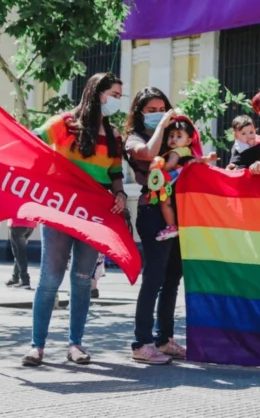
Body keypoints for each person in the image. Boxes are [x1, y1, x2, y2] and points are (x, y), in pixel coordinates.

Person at [20, 72, 127, 367]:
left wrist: (119, 195)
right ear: (97, 93)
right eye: (114, 95)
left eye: (120, 96)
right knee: (49, 279)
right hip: (59, 209)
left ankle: (75, 345)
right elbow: (28, 140)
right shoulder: (64, 124)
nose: (118, 101)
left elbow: (115, 174)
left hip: (93, 214)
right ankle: (37, 347)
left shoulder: (115, 135)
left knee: (82, 282)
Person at [125, 87, 185, 365]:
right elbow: (148, 154)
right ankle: (142, 342)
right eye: (151, 110)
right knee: (154, 277)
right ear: (139, 113)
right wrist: (163, 123)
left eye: (162, 108)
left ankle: (164, 338)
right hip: (152, 214)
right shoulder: (134, 139)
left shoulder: (172, 139)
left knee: (173, 278)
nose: (158, 113)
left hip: (177, 213)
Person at [148, 116, 215, 240]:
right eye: (171, 135)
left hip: (174, 184)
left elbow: (170, 165)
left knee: (164, 203)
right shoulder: (188, 152)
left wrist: (156, 170)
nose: (174, 139)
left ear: (189, 141)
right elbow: (200, 161)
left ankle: (171, 226)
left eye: (179, 136)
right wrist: (209, 158)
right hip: (185, 186)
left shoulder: (175, 152)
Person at [6, 218, 36, 289]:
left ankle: (24, 280)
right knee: (19, 252)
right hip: (30, 224)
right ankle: (15, 277)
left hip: (17, 224)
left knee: (19, 254)